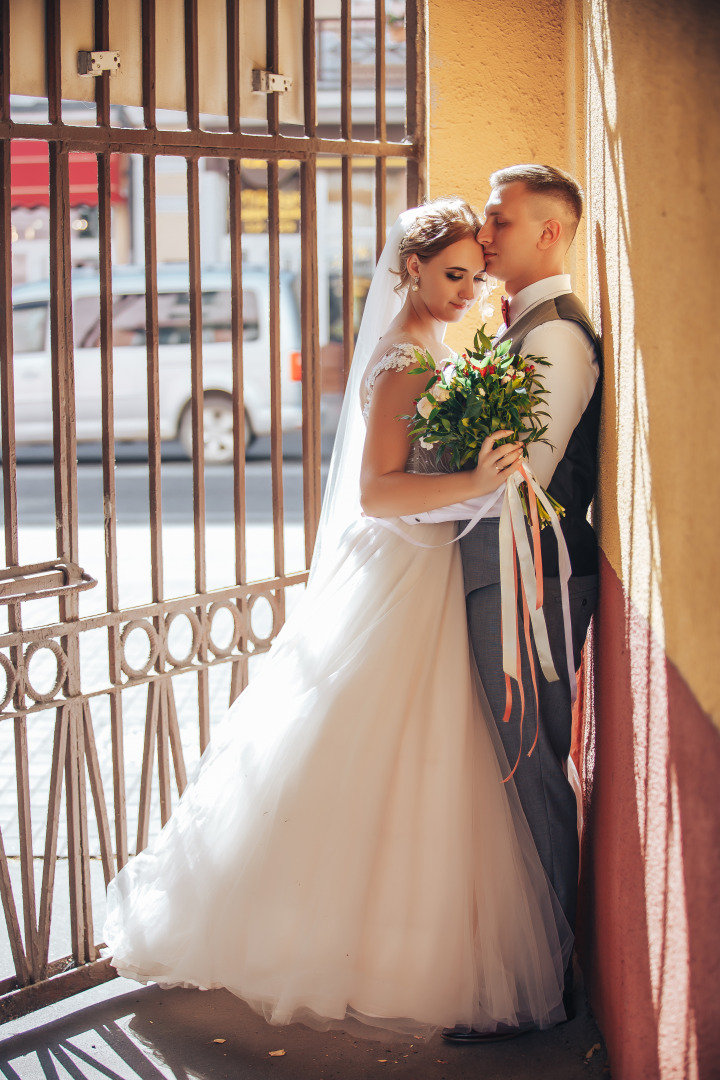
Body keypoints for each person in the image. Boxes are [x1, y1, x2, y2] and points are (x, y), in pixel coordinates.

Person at [104, 197, 572, 1039]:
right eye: (452, 275)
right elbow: (376, 490)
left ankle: (391, 946)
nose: (468, 291)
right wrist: (478, 481)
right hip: (399, 572)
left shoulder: (436, 341)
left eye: (473, 274)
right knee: (365, 750)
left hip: (423, 566)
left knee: (417, 763)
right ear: (411, 270)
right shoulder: (402, 357)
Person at [428, 166, 600, 1043]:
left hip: (530, 580)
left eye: (500, 220)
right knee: (508, 769)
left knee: (530, 767)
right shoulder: (516, 328)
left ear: (551, 234)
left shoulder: (560, 339)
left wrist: (420, 485)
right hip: (498, 571)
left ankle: (546, 984)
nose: (484, 234)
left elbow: (522, 481)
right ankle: (521, 968)